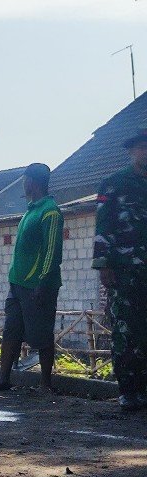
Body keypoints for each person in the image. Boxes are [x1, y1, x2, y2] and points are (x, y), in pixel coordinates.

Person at [0, 163, 63, 393]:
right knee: (11, 330)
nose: (23, 183)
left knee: (41, 334)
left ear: (32, 181)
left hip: (37, 285)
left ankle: (45, 383)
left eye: (24, 179)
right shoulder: (31, 211)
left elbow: (52, 252)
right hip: (18, 284)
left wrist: (42, 281)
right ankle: (3, 378)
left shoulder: (50, 211)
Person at [93, 130, 147, 412]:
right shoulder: (114, 184)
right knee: (126, 330)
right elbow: (103, 227)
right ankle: (128, 390)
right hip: (125, 272)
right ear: (132, 151)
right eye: (142, 148)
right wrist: (104, 265)